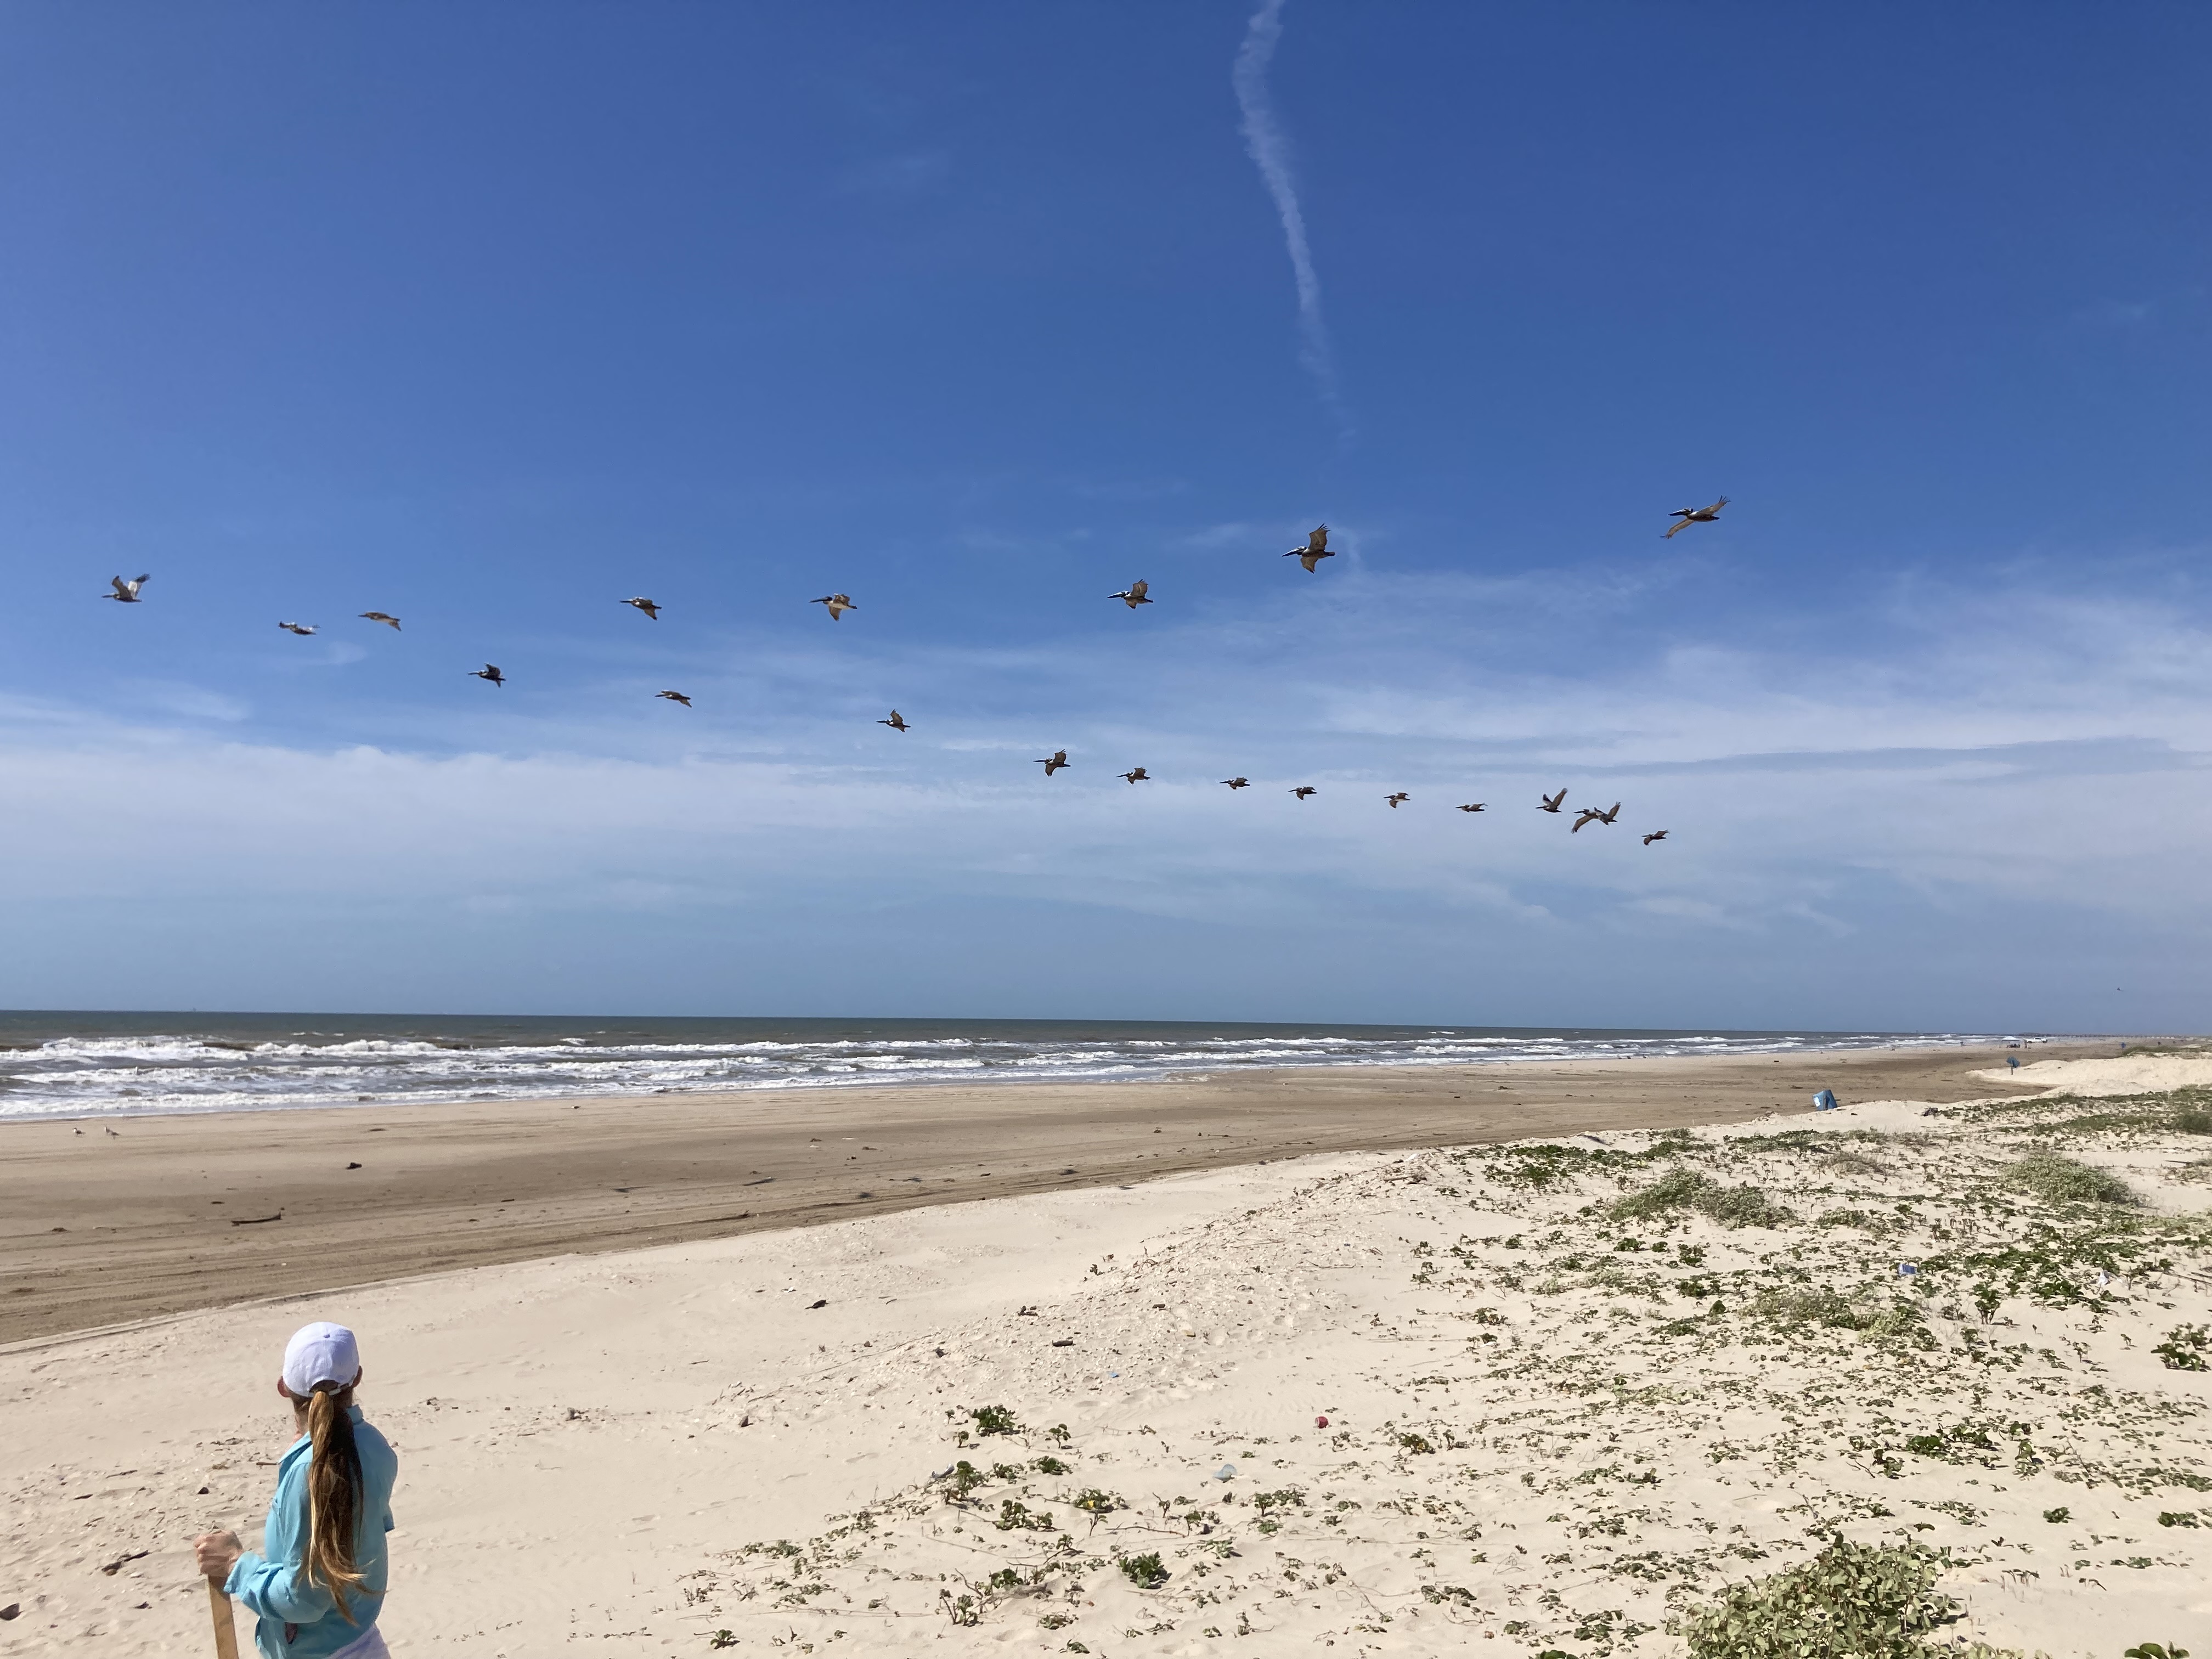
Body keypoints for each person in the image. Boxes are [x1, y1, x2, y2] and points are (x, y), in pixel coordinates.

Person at [195, 1323, 400, 1659]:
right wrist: (306, 1449)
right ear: (358, 1377)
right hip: (358, 1637)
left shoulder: (310, 1470)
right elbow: (360, 1529)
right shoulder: (375, 1447)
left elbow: (303, 1601)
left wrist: (235, 1563)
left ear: (284, 1387)